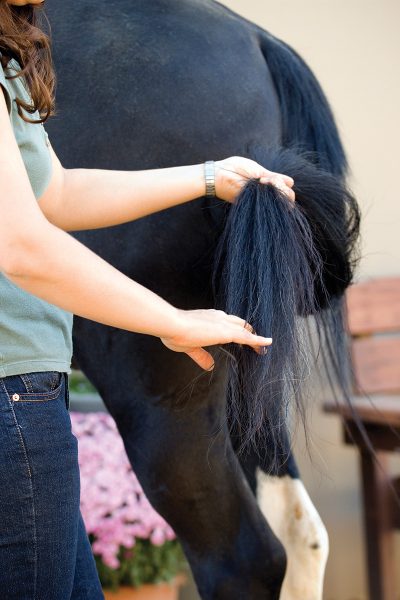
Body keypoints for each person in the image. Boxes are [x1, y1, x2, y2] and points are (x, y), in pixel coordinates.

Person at [0, 1, 295, 598]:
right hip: (12, 398)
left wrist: (210, 177)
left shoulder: (7, 59)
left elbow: (54, 193)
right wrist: (170, 320)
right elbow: (22, 244)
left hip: (28, 389)